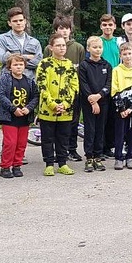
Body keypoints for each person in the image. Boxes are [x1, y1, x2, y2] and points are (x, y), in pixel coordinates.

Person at [36, 33, 79, 176]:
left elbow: (74, 86)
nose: (61, 48)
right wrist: (52, 103)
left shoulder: (69, 65)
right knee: (47, 137)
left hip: (65, 111)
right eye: (58, 45)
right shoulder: (44, 64)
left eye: (63, 45)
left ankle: (62, 163)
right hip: (48, 109)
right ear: (51, 47)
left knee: (63, 137)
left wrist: (66, 104)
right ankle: (49, 163)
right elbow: (41, 85)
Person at [43, 16, 85, 162]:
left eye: (66, 28)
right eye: (61, 28)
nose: (64, 31)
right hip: (53, 92)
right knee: (53, 124)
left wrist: (77, 91)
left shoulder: (78, 48)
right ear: (56, 30)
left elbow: (81, 70)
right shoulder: (48, 49)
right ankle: (55, 151)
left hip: (72, 93)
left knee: (72, 122)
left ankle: (71, 149)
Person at [0, 54, 37, 178]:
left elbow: (36, 96)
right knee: (10, 143)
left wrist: (29, 108)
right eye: (15, 65)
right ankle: (5, 166)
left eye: (21, 64)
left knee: (21, 143)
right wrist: (13, 109)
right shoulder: (5, 79)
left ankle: (17, 165)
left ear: (24, 66)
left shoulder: (29, 81)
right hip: (9, 117)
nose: (18, 67)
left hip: (24, 118)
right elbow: (0, 95)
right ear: (9, 67)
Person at [79, 36, 112, 172]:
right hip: (88, 103)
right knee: (90, 129)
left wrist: (99, 96)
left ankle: (98, 156)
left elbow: (108, 84)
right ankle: (89, 157)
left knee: (100, 129)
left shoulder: (107, 65)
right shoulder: (84, 66)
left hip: (103, 102)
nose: (98, 50)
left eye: (99, 47)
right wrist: (92, 100)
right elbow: (84, 84)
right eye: (94, 47)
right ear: (88, 49)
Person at [111, 42, 132, 171]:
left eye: (129, 54)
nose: (127, 56)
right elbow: (114, 90)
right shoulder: (116, 71)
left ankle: (131, 156)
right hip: (120, 109)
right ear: (120, 55)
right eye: (124, 54)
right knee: (120, 133)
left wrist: (131, 108)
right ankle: (119, 158)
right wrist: (122, 109)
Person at [0, 6, 43, 78]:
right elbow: (3, 59)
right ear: (9, 23)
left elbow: (38, 62)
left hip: (29, 81)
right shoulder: (2, 39)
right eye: (15, 21)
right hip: (9, 81)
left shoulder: (35, 42)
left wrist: (14, 60)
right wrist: (26, 56)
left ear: (25, 21)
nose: (18, 23)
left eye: (21, 20)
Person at [98, 14, 120, 158]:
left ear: (115, 26)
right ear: (101, 26)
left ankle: (109, 147)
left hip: (116, 84)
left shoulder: (118, 42)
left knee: (113, 118)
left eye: (110, 25)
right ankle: (100, 147)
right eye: (105, 25)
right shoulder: (97, 41)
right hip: (101, 83)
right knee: (102, 119)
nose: (107, 27)